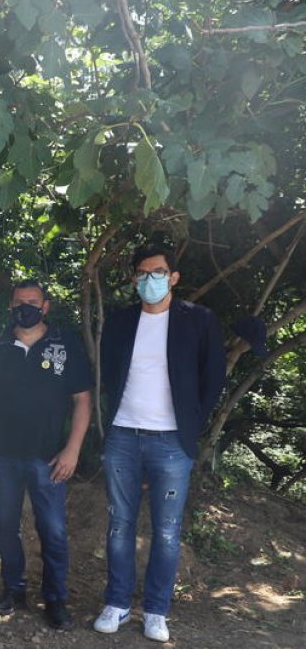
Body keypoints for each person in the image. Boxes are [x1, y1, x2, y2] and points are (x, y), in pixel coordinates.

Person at [93, 244, 226, 643]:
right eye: (142, 273)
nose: (150, 280)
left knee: (167, 531)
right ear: (134, 279)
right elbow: (109, 372)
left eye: (158, 272)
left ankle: (155, 610)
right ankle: (116, 602)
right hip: (123, 435)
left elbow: (213, 377)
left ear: (173, 277)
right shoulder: (120, 321)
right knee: (119, 525)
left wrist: (190, 424)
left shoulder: (197, 320)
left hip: (172, 441)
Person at [0, 280, 91, 630]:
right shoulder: (0, 345)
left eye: (33, 302)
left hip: (50, 457)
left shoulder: (65, 343)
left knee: (52, 530)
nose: (26, 307)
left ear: (46, 306)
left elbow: (82, 399)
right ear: (10, 306)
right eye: (20, 302)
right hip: (3, 455)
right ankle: (14, 589)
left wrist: (73, 449)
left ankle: (55, 599)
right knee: (6, 526)